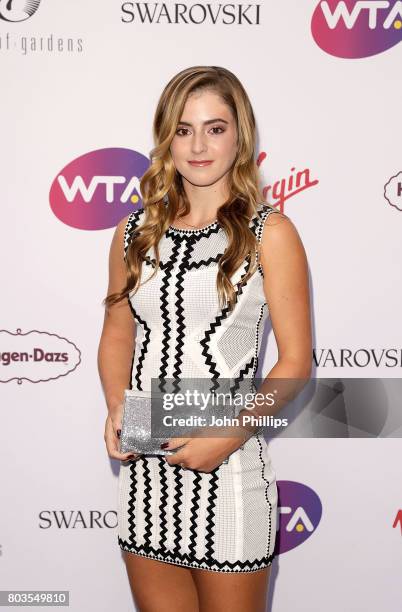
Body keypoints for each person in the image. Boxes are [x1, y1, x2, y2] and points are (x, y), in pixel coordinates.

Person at [98, 66, 312, 612]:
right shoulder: (133, 232)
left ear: (240, 137)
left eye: (215, 128)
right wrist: (118, 405)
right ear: (166, 136)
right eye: (184, 129)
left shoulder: (272, 233)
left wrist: (230, 434)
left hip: (232, 469)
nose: (198, 145)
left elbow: (295, 364)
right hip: (147, 472)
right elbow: (116, 333)